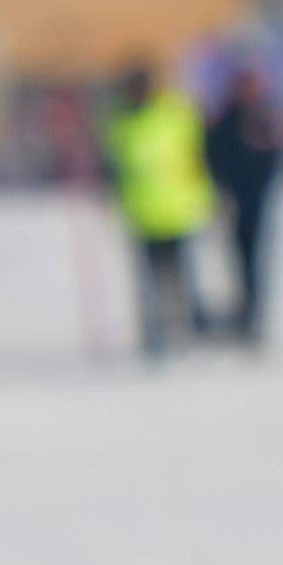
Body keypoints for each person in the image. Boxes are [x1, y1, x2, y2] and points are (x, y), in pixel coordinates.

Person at [99, 59, 211, 362]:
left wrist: (204, 195)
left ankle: (190, 332)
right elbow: (112, 166)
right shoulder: (121, 122)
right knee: (149, 283)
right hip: (142, 213)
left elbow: (198, 155)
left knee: (182, 278)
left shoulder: (174, 114)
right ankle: (155, 337)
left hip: (178, 209)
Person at [200, 48, 283, 346]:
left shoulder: (265, 117)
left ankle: (253, 314)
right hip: (234, 200)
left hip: (257, 200)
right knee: (236, 259)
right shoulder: (225, 120)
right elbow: (214, 156)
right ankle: (243, 312)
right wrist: (222, 189)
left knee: (255, 259)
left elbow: (276, 158)